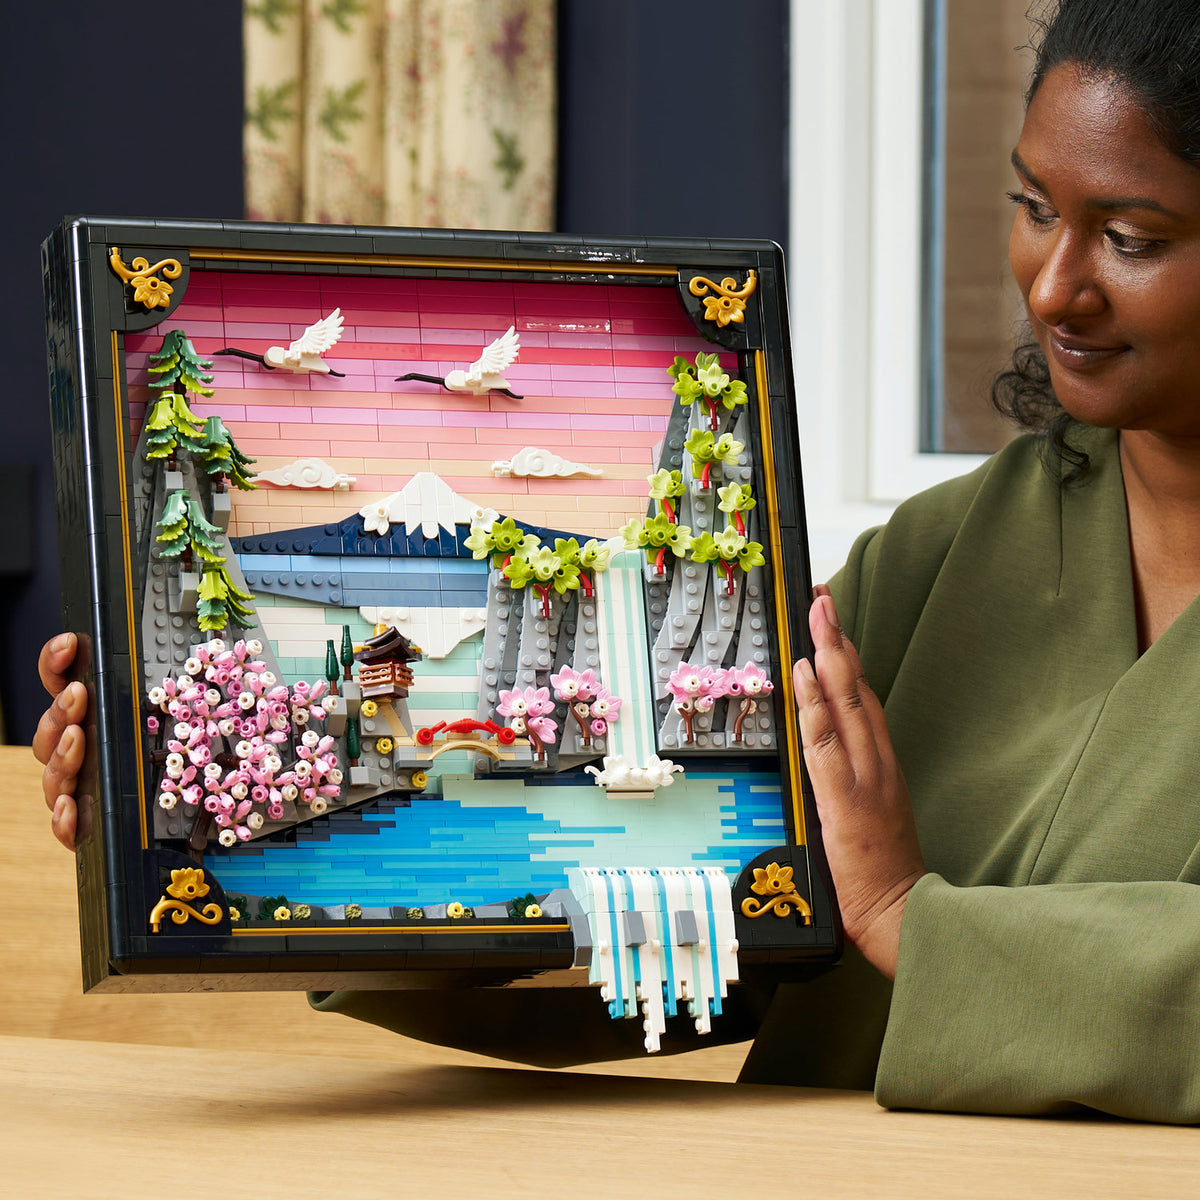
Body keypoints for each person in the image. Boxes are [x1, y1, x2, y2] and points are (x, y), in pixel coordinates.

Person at [33, 0, 1200, 1121]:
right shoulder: (949, 554)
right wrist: (224, 849)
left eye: (1133, 239)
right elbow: (718, 939)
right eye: (1034, 206)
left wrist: (907, 915)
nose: (1054, 285)